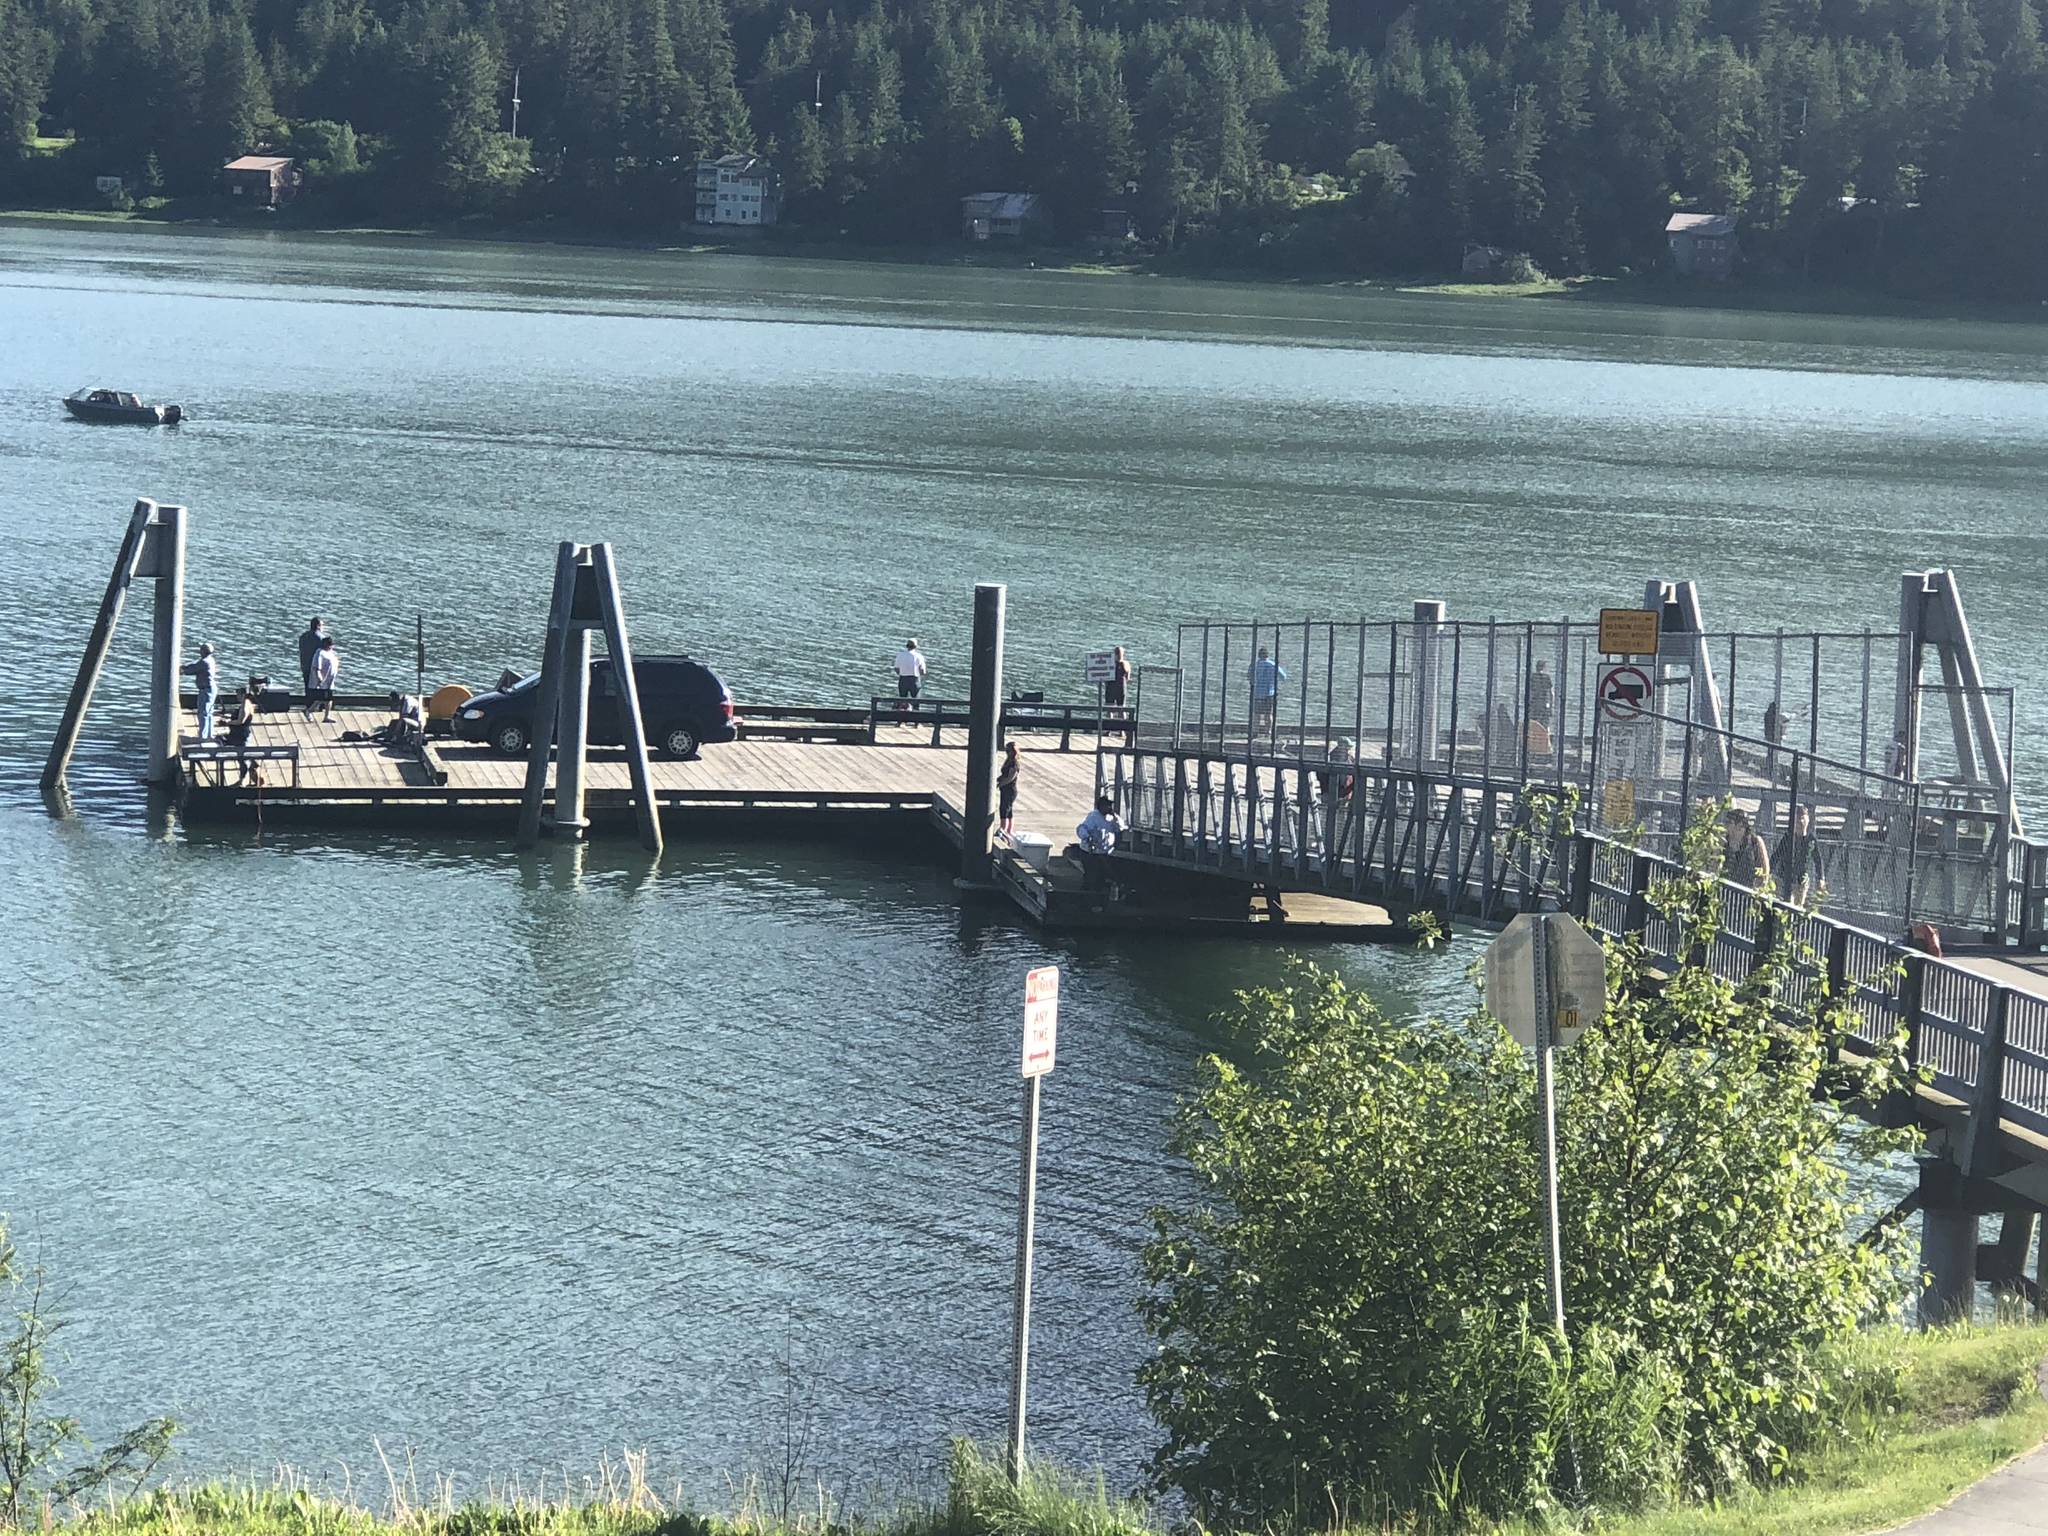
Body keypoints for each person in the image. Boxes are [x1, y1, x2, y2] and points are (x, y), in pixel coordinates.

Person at [1772, 803, 1827, 903]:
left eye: (1802, 818)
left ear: (1807, 820)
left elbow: (1818, 860)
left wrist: (1821, 878)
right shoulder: (1788, 837)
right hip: (1784, 879)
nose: (1800, 822)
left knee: (1798, 907)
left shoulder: (1811, 839)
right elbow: (1777, 855)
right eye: (1797, 819)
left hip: (1801, 880)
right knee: (1787, 904)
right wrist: (1769, 872)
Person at [1076, 794, 1124, 891]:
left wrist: (1114, 816)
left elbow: (1120, 827)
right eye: (1107, 805)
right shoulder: (1093, 817)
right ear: (1101, 806)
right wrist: (1087, 838)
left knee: (1102, 877)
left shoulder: (1112, 818)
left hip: (1104, 853)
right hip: (1090, 853)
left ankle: (1098, 897)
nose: (1109, 808)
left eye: (1110, 805)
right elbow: (1082, 828)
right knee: (1091, 876)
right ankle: (1085, 896)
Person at [1723, 806, 1770, 890]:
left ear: (1740, 826)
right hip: (1726, 888)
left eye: (1729, 822)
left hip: (1749, 888)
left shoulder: (1755, 841)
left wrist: (1760, 886)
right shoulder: (1724, 841)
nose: (1726, 825)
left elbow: (1765, 869)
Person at [181, 642, 219, 742]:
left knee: (203, 713)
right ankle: (209, 735)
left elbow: (192, 669)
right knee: (209, 712)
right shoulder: (210, 660)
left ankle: (203, 737)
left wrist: (182, 669)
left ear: (203, 651)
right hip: (211, 688)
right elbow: (195, 665)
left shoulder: (204, 662)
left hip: (206, 690)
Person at [1248, 646, 1286, 736]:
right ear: (1267, 655)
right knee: (1268, 714)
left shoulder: (1254, 665)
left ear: (1258, 655)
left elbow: (1249, 677)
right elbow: (1283, 677)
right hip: (1269, 693)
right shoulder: (1273, 665)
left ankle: (1255, 732)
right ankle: (1268, 732)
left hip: (1257, 693)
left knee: (1256, 714)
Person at [308, 634, 340, 722]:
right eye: (330, 645)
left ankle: (326, 716)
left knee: (327, 699)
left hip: (330, 681)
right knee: (322, 698)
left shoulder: (330, 653)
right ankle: (310, 711)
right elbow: (316, 667)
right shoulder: (320, 652)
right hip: (323, 681)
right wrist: (319, 678)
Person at [893, 638, 927, 716]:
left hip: (903, 679)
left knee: (902, 701)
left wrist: (902, 673)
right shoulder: (919, 656)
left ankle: (900, 720)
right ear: (916, 646)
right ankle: (916, 722)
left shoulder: (900, 655)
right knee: (916, 701)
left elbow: (896, 668)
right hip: (914, 680)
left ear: (907, 646)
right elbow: (922, 671)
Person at [297, 617, 328, 701]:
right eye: (322, 625)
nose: (323, 627)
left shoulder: (303, 637)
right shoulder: (322, 638)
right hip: (317, 668)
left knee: (308, 688)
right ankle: (319, 706)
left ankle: (308, 705)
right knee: (319, 688)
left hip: (305, 666)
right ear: (318, 626)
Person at [997, 741, 1021, 840]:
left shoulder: (1015, 763)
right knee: (1008, 809)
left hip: (1010, 789)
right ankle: (1008, 830)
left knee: (1005, 808)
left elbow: (1011, 777)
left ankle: (1004, 829)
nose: (1007, 752)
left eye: (1008, 750)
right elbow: (1004, 775)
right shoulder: (1008, 761)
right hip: (1005, 789)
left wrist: (1001, 784)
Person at [1528, 661, 1555, 728]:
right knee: (1544, 725)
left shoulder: (1533, 677)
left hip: (1534, 704)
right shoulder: (1546, 677)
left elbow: (1530, 691)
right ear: (1544, 668)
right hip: (1544, 704)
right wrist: (1551, 706)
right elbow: (1551, 693)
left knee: (1533, 724)